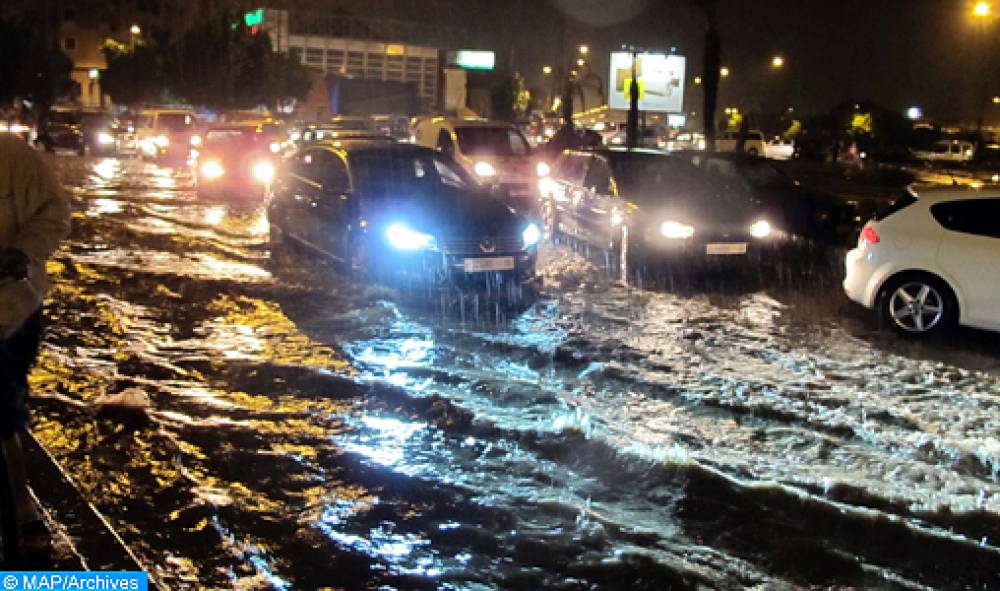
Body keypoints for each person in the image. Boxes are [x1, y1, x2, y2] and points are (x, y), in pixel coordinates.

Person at [0, 134, 72, 557]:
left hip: (12, 311)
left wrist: (22, 252)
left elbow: (56, 212)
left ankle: (23, 510)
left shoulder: (17, 159)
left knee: (1, 406)